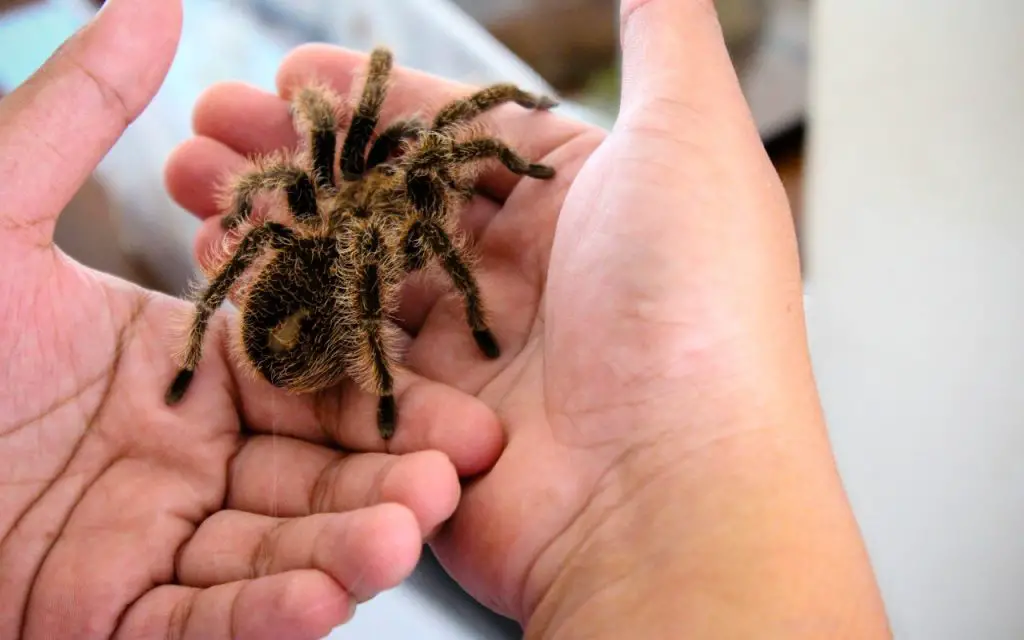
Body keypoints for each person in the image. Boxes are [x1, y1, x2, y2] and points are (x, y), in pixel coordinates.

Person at [0, 0, 893, 637]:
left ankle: (220, 345)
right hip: (319, 305)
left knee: (337, 183)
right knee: (351, 153)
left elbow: (308, 169)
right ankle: (298, 369)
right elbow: (338, 150)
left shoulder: (343, 199)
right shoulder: (402, 221)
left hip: (306, 291)